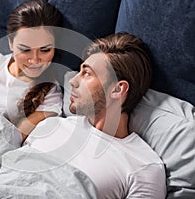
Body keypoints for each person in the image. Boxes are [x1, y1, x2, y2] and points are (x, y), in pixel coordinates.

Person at [25, 32, 167, 198]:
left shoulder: (142, 166)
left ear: (117, 89)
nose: (73, 81)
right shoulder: (51, 126)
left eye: (87, 73)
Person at [0, 0, 63, 141]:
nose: (35, 60)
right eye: (25, 49)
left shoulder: (50, 96)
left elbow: (10, 140)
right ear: (11, 43)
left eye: (45, 50)